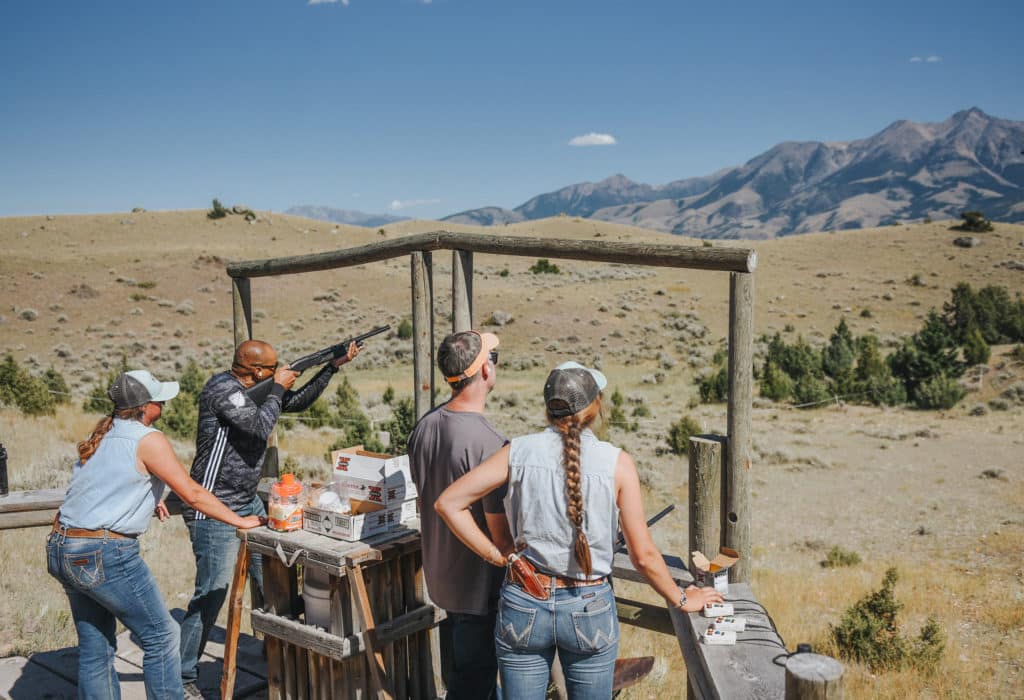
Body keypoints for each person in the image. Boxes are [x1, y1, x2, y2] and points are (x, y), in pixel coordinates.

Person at [436, 361, 725, 700]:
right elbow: (643, 556)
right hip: (589, 603)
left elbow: (448, 503)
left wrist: (500, 555)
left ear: (548, 408)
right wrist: (681, 598)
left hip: (525, 596)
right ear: (595, 407)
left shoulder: (517, 451)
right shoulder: (616, 462)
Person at [46, 369, 265, 700]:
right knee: (162, 637)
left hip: (63, 546)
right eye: (159, 400)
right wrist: (240, 520)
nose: (163, 405)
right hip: (104, 552)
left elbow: (100, 487)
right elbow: (193, 492)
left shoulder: (103, 434)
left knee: (96, 647)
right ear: (145, 407)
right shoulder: (148, 439)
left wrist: (148, 499)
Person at [178, 339, 361, 697]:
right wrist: (279, 386)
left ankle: (278, 650)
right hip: (212, 505)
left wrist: (330, 367)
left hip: (247, 502)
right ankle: (182, 676)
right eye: (272, 368)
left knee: (274, 576)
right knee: (212, 592)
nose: (278, 371)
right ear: (257, 371)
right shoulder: (222, 389)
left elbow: (294, 402)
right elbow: (261, 427)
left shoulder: (258, 388)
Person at [406, 330, 510, 700]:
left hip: (442, 577)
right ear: (483, 371)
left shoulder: (424, 426)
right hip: (478, 587)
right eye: (493, 359)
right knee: (473, 681)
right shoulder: (489, 443)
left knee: (466, 671)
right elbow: (501, 537)